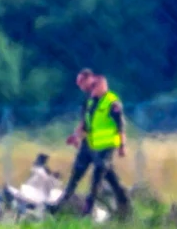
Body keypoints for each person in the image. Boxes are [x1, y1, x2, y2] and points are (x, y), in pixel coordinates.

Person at [50, 73, 131, 218]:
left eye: (94, 86)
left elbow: (121, 125)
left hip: (106, 146)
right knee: (80, 173)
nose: (90, 89)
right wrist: (76, 136)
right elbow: (86, 124)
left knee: (98, 176)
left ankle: (89, 209)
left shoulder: (112, 102)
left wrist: (122, 146)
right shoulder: (90, 102)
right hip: (90, 145)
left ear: (101, 85)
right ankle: (62, 204)